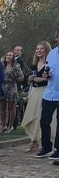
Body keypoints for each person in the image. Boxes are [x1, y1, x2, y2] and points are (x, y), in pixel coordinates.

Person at [22, 41, 55, 152]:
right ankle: (34, 140)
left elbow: (52, 78)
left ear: (46, 50)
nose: (39, 51)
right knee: (31, 116)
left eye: (41, 49)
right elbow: (30, 78)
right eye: (37, 48)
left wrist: (41, 79)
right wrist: (30, 79)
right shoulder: (34, 64)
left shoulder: (49, 63)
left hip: (45, 92)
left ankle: (36, 141)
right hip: (34, 92)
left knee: (40, 117)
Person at [37, 28, 59, 159]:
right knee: (44, 121)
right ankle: (46, 147)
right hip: (49, 93)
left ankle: (58, 149)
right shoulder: (51, 54)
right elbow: (48, 70)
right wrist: (47, 74)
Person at [0, 51, 24, 133]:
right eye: (7, 55)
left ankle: (10, 126)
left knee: (11, 108)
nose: (8, 56)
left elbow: (21, 77)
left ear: (13, 57)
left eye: (10, 55)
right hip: (2, 87)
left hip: (12, 88)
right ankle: (3, 126)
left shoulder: (16, 66)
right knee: (2, 108)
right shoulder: (2, 65)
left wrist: (13, 78)